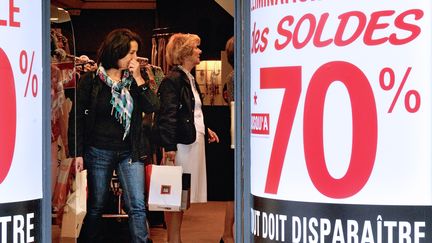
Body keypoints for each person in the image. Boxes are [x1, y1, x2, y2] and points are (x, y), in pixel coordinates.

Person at [68, 28, 159, 243]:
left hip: (130, 151)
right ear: (115, 52)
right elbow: (76, 118)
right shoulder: (91, 80)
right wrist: (77, 152)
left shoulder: (136, 80)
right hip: (98, 150)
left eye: (136, 53)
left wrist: (138, 77)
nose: (134, 58)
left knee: (137, 205)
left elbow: (153, 105)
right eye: (130, 53)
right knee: (96, 205)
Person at [155, 33, 219, 243]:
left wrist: (205, 128)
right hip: (181, 145)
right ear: (184, 53)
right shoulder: (172, 80)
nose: (200, 51)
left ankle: (175, 238)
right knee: (175, 193)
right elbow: (167, 115)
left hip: (192, 141)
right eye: (195, 48)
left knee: (182, 195)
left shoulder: (188, 78)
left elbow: (192, 112)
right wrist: (169, 147)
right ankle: (173, 239)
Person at [220, 36, 235, 243]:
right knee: (235, 189)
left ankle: (228, 234)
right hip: (238, 138)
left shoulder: (233, 76)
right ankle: (227, 233)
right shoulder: (235, 77)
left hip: (238, 136)